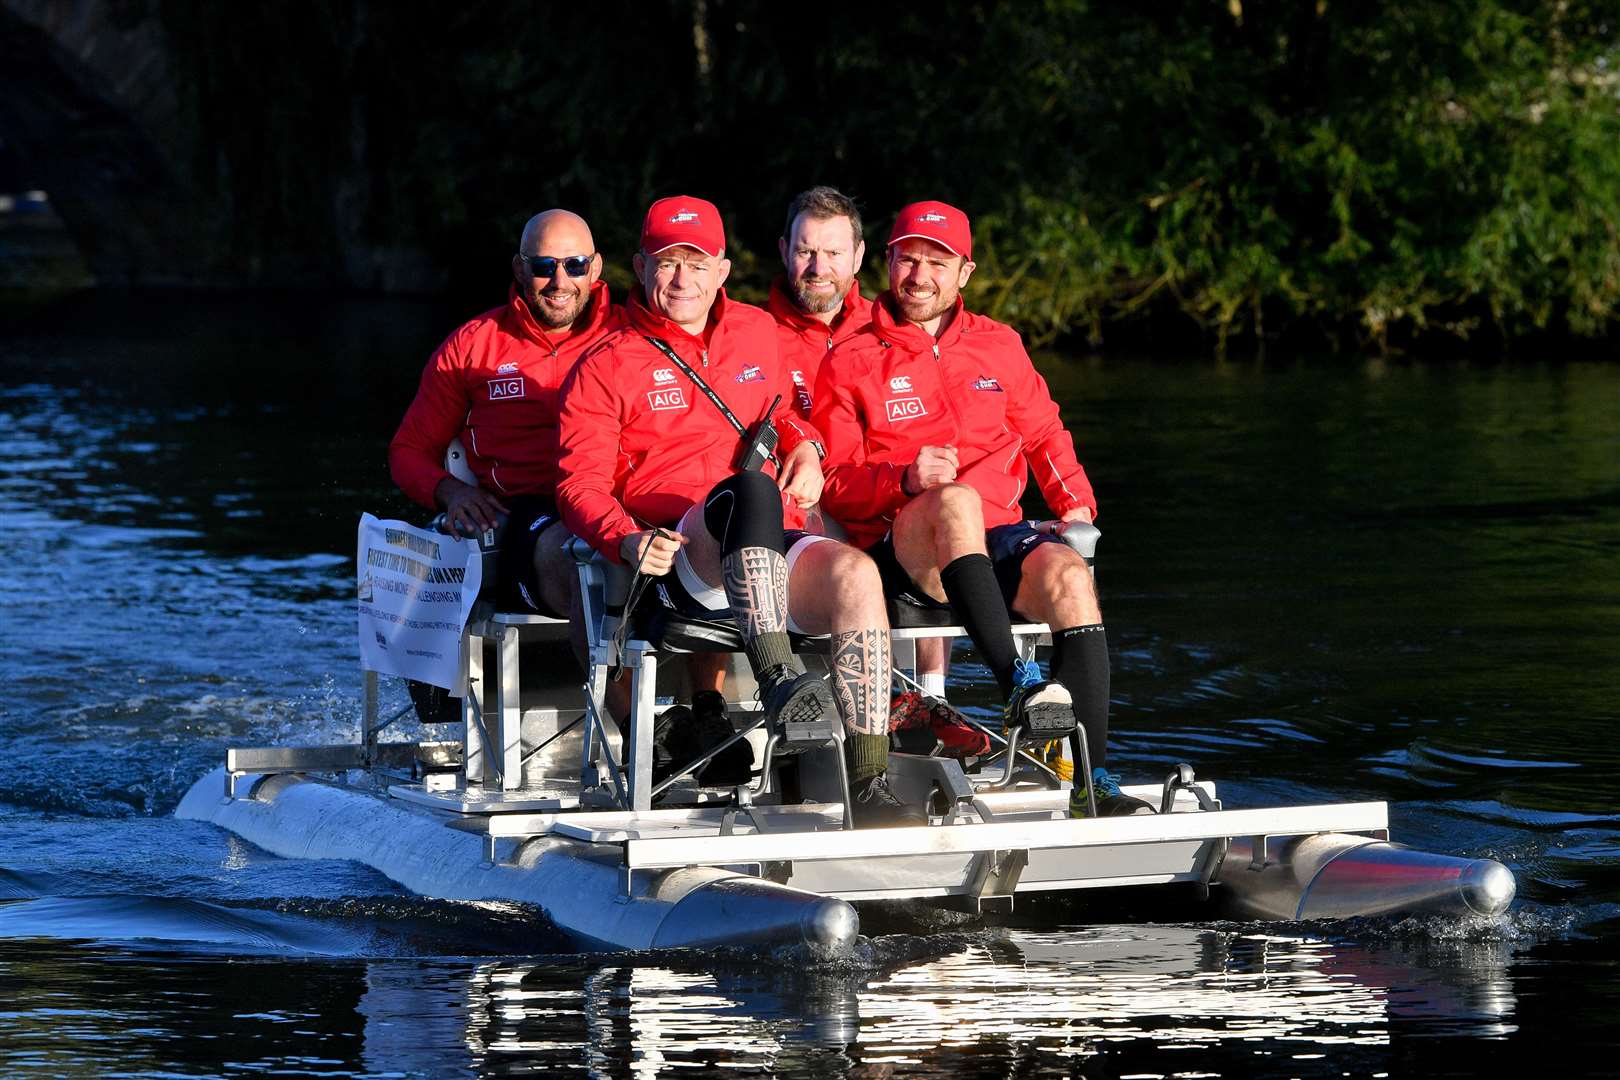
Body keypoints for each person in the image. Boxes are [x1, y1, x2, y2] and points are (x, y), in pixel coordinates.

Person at [557, 195, 923, 827]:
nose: (681, 280)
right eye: (667, 263)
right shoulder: (602, 364)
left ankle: (869, 784)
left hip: (770, 549)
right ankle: (780, 680)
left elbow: (779, 414)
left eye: (696, 264)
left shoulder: (757, 330)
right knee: (747, 490)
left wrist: (806, 446)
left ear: (722, 271)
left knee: (857, 575)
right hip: (682, 561)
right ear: (640, 268)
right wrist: (624, 538)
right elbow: (576, 485)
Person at [811, 199, 1154, 818]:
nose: (919, 277)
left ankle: (1091, 783)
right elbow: (833, 482)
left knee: (1071, 577)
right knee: (956, 499)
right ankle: (1018, 685)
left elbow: (1046, 434)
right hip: (906, 551)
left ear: (964, 273)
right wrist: (902, 478)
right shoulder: (850, 356)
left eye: (937, 263)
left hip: (997, 538)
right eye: (907, 260)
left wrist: (1076, 510)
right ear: (886, 262)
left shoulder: (1000, 345)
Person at [387, 209, 730, 737]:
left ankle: (710, 714)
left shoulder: (636, 333)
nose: (560, 280)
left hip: (625, 499)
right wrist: (451, 492)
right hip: (530, 511)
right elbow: (409, 451)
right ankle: (642, 736)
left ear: (596, 269)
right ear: (520, 270)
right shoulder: (472, 347)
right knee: (583, 558)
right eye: (544, 265)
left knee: (711, 534)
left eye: (573, 264)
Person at [767, 186, 952, 699]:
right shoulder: (753, 335)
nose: (817, 267)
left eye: (833, 253)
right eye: (806, 251)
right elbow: (756, 415)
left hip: (879, 492)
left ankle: (932, 699)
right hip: (802, 502)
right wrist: (802, 444)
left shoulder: (892, 329)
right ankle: (832, 702)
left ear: (860, 257)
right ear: (785, 251)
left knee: (934, 511)